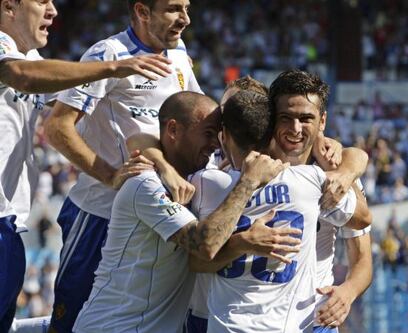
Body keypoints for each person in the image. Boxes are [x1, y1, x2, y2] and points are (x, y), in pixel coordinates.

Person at [0, 0, 171, 331]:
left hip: (11, 222)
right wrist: (112, 67)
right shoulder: (17, 64)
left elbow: (71, 97)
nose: (53, 11)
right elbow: (21, 76)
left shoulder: (30, 58)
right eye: (41, 1)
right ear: (9, 6)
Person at [43, 1, 206, 331]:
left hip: (157, 214)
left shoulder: (178, 54)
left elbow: (199, 116)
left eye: (187, 8)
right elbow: (58, 128)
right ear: (143, 12)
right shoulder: (108, 54)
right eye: (175, 9)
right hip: (99, 215)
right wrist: (111, 175)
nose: (186, 19)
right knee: (73, 317)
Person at [72, 91, 289, 333]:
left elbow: (140, 139)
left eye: (218, 135)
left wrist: (340, 157)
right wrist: (248, 184)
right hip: (114, 327)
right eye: (208, 133)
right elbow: (204, 246)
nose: (216, 143)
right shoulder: (146, 184)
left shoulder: (196, 176)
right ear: (173, 130)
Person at [185, 73, 372, 333]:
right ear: (271, 120)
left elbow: (363, 253)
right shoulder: (223, 172)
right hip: (235, 314)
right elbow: (194, 261)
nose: (295, 129)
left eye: (306, 118)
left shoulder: (333, 173)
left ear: (322, 121)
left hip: (312, 318)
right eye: (286, 118)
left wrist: (348, 292)